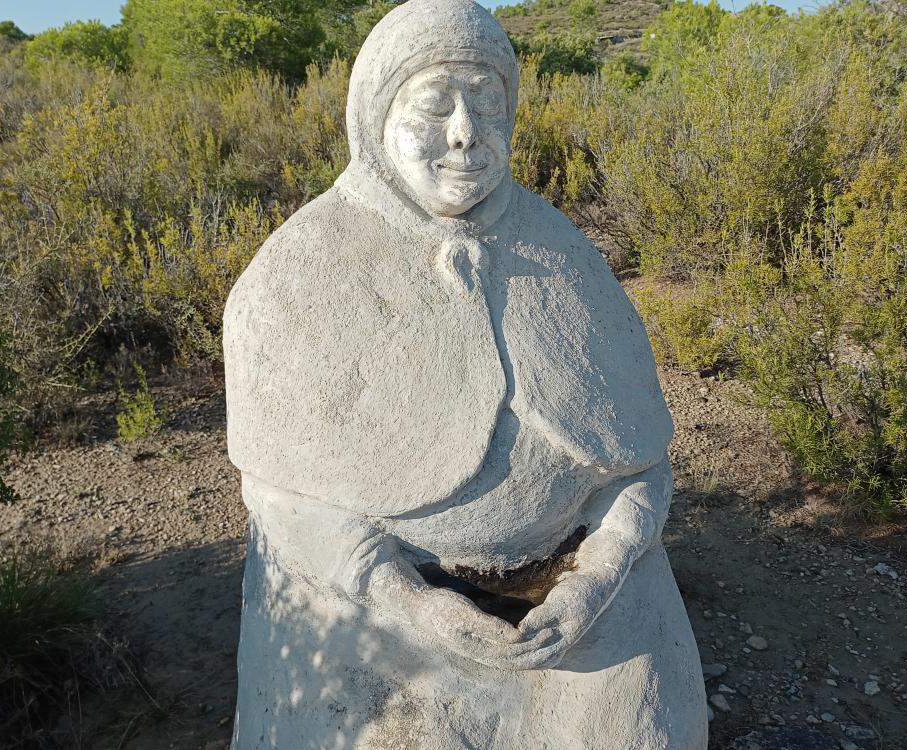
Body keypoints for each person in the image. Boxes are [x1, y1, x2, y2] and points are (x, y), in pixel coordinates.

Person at [223, 1, 708, 747]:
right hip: (369, 605)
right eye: (434, 103)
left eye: (487, 101)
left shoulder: (564, 253)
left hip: (588, 605)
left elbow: (641, 465)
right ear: (375, 119)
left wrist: (600, 572)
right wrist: (408, 600)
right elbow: (281, 497)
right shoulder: (296, 271)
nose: (464, 132)